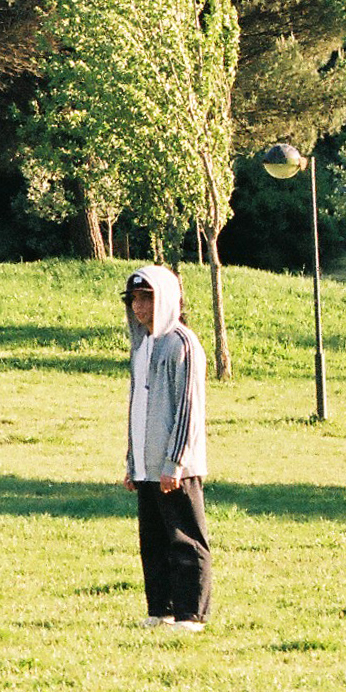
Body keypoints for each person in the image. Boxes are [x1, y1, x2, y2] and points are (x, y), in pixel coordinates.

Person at [123, 266, 212, 629]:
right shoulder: (141, 346)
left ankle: (191, 612)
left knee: (185, 539)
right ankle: (161, 609)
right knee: (154, 541)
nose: (140, 307)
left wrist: (174, 461)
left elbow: (188, 408)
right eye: (134, 299)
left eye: (147, 298)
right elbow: (136, 406)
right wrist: (132, 461)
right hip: (146, 466)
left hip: (176, 467)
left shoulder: (182, 344)